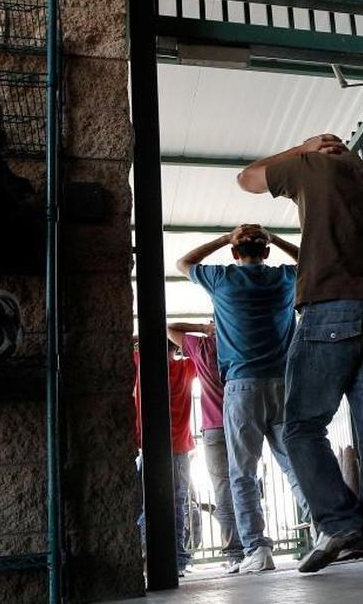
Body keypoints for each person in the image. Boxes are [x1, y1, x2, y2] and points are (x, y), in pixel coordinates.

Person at [237, 134, 363, 573]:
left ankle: (339, 520)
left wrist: (301, 147)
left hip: (330, 311)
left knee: (300, 426)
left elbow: (246, 179)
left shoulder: (312, 166)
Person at [178, 224, 308, 573]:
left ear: (235, 254)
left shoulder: (222, 279)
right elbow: (311, 258)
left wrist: (225, 238)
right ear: (266, 253)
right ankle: (327, 530)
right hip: (283, 383)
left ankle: (257, 550)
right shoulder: (284, 279)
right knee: (295, 465)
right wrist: (274, 237)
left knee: (243, 474)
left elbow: (183, 263)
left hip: (242, 386)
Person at [167, 321, 246, 574]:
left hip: (212, 429)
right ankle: (253, 547)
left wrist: (202, 329)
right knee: (246, 481)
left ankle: (234, 553)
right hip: (241, 422)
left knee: (221, 489)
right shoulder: (237, 346)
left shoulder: (202, 348)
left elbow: (169, 327)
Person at [132, 336, 196, 575]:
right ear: (174, 349)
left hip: (151, 446)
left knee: (148, 501)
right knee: (177, 502)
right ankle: (177, 560)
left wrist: (141, 336)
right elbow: (197, 349)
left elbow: (122, 342)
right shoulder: (186, 368)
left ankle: (147, 553)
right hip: (180, 446)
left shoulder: (141, 365)